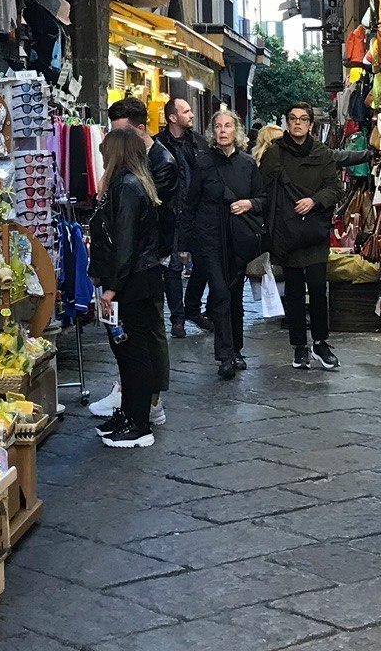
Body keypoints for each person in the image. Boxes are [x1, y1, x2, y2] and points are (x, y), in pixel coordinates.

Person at [85, 123, 165, 448]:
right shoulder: (126, 184)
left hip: (131, 283)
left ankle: (139, 423)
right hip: (133, 280)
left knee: (133, 351)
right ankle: (130, 414)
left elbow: (125, 244)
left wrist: (111, 288)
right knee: (126, 350)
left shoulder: (127, 187)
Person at [259, 102, 342, 370]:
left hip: (314, 229)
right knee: (294, 291)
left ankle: (320, 342)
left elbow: (335, 188)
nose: (297, 123)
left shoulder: (323, 153)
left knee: (318, 287)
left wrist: (314, 201)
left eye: (303, 119)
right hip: (287, 232)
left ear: (310, 124)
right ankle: (299, 347)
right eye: (293, 118)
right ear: (287, 122)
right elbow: (265, 189)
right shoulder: (274, 154)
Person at [183, 107, 264, 380]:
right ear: (212, 133)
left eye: (227, 126)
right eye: (218, 127)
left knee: (235, 297)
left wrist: (249, 203)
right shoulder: (203, 162)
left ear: (236, 131)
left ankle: (237, 349)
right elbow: (191, 202)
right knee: (219, 294)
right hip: (209, 238)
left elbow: (262, 198)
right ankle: (224, 355)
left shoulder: (248, 163)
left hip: (238, 238)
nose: (222, 131)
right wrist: (185, 243)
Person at [156, 94, 206, 339]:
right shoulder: (157, 146)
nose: (192, 114)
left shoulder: (198, 143)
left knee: (204, 263)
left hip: (197, 213)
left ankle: (192, 308)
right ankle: (177, 319)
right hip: (170, 214)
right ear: (172, 117)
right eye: (186, 111)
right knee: (173, 268)